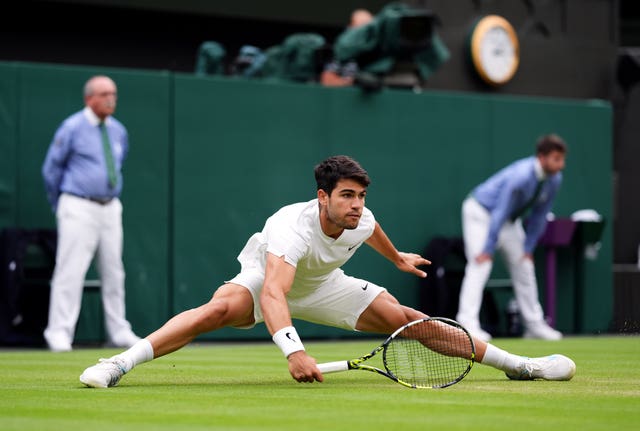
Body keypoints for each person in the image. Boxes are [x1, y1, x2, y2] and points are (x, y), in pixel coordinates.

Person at [79, 155, 575, 388]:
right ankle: (117, 364)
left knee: (411, 320)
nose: (357, 206)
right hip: (269, 279)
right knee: (215, 310)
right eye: (346, 196)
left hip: (325, 287)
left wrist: (397, 257)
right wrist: (294, 353)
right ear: (323, 196)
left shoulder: (363, 218)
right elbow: (274, 293)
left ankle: (521, 366)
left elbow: (373, 232)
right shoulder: (289, 227)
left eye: (361, 196)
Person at [41, 75, 140, 352]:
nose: (111, 99)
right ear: (89, 98)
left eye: (114, 94)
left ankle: (119, 329)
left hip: (110, 207)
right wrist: (61, 204)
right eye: (104, 93)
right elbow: (51, 170)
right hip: (77, 205)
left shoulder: (118, 130)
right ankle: (59, 333)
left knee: (114, 270)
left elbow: (118, 163)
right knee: (70, 270)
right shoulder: (71, 127)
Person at [456, 134, 568, 342]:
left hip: (507, 220)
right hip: (480, 212)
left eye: (562, 159)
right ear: (541, 157)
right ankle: (467, 323)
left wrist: (528, 248)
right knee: (480, 264)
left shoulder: (554, 179)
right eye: (556, 159)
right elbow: (500, 210)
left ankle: (534, 325)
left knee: (524, 266)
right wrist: (488, 248)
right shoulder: (522, 176)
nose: (561, 165)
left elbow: (539, 216)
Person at [320, 9, 374, 87]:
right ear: (350, 27)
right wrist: (352, 82)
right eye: (360, 27)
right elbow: (327, 79)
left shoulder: (378, 50)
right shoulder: (342, 51)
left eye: (367, 28)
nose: (363, 32)